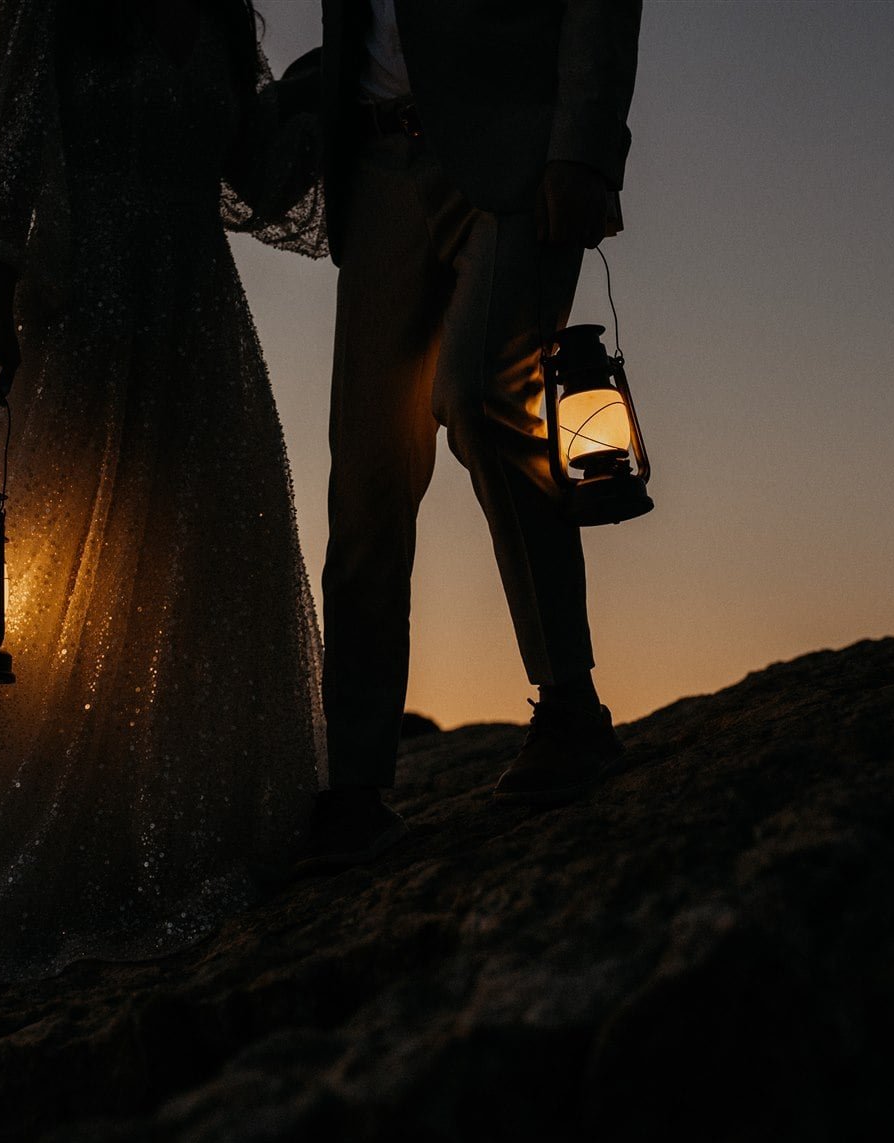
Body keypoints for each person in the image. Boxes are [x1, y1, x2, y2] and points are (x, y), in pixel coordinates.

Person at [0, 0, 326, 1012]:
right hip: (83, 305)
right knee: (72, 554)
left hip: (195, 314)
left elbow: (255, 179)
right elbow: (9, 146)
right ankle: (58, 852)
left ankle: (191, 835)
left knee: (195, 561)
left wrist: (331, 81)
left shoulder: (221, 13)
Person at [299, 0, 644, 868]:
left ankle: (571, 706)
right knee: (368, 474)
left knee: (484, 389)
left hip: (516, 152)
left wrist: (583, 143)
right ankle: (356, 784)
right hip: (376, 169)